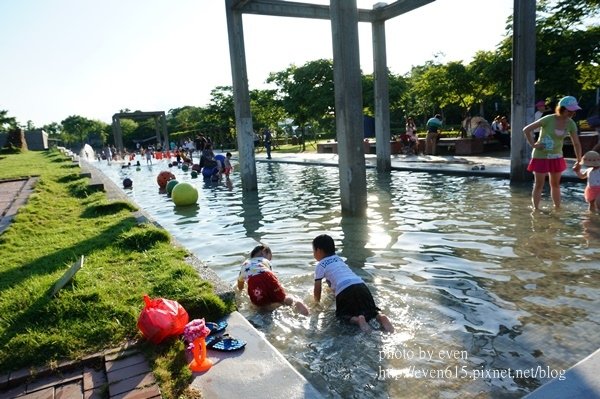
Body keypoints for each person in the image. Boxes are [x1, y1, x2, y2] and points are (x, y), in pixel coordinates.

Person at [312, 234, 394, 333]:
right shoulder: (338, 259)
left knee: (342, 316)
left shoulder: (320, 265)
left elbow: (317, 289)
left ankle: (358, 320)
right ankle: (381, 317)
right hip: (360, 285)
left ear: (319, 250)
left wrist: (316, 303)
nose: (313, 254)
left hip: (344, 290)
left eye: (314, 251)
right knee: (371, 311)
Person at [523, 95, 583, 210]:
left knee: (555, 184)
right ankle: (536, 210)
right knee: (539, 184)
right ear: (562, 108)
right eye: (570, 110)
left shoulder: (571, 123)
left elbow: (576, 143)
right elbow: (526, 129)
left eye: (573, 111)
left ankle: (557, 209)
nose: (572, 113)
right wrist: (534, 144)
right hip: (541, 156)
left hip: (556, 156)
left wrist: (579, 160)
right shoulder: (548, 119)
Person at [237, 244, 309, 315]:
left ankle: (269, 309)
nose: (270, 260)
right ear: (264, 252)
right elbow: (272, 278)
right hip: (268, 276)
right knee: (282, 299)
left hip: (255, 283)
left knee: (260, 306)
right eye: (270, 257)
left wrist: (241, 290)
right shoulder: (265, 261)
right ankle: (293, 302)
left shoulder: (245, 264)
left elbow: (240, 283)